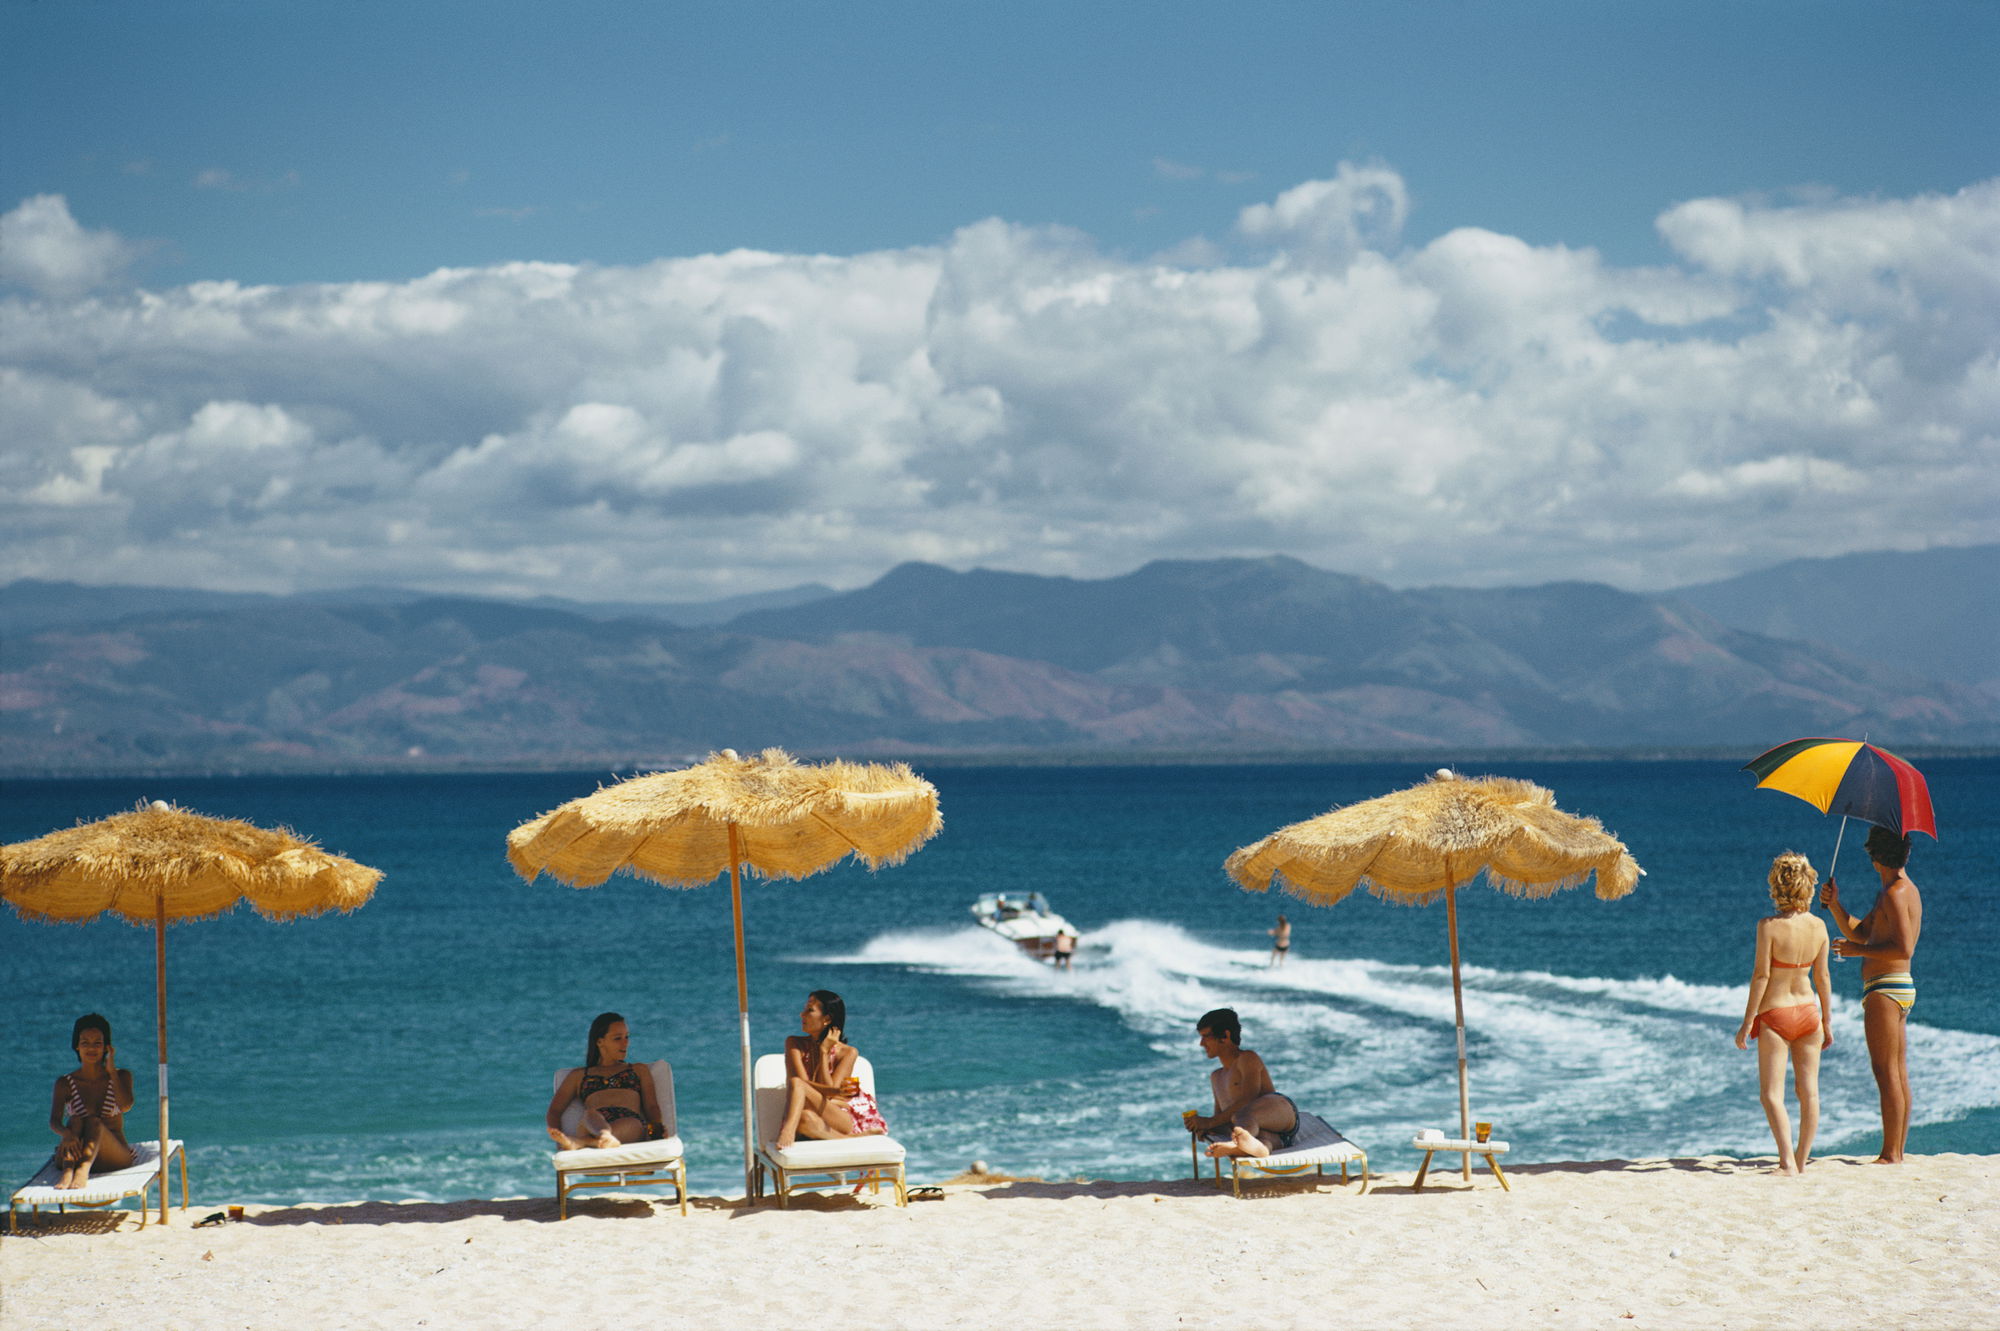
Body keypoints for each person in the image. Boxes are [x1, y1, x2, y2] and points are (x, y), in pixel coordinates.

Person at [1821, 826, 1924, 1163]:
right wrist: (1835, 905)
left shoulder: (1894, 893)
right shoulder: (1899, 891)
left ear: (1877, 857)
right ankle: (1897, 1150)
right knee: (1897, 1069)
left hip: (1886, 988)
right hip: (1898, 987)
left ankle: (1891, 1153)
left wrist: (1855, 952)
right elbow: (1860, 932)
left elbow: (1903, 948)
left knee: (1885, 1070)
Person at [1733, 852, 1833, 1174]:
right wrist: (1827, 1021)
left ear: (1777, 885)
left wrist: (1748, 1022)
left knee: (1771, 1094)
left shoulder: (1768, 927)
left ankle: (1787, 1160)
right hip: (1808, 1012)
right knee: (1809, 1092)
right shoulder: (1819, 926)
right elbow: (1823, 978)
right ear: (1809, 885)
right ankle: (1802, 1161)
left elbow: (1761, 976)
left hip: (1775, 1013)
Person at [774, 990, 887, 1149]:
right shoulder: (794, 1044)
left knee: (797, 1083)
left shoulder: (848, 1052)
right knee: (805, 1116)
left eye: (809, 1010)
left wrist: (824, 1052)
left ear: (827, 1019)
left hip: (837, 1117)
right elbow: (818, 1089)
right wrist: (835, 1092)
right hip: (808, 1115)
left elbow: (825, 1094)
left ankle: (787, 1132)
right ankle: (853, 1139)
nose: (802, 1014)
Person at [545, 1012, 668, 1151]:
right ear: (599, 1042)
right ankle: (604, 1136)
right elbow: (554, 1110)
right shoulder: (579, 1075)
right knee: (589, 1114)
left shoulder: (638, 1070)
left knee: (633, 1123)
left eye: (627, 1037)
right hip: (593, 1124)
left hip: (628, 1124)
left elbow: (652, 1107)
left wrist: (657, 1130)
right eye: (617, 1038)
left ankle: (581, 1142)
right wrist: (558, 1137)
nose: (625, 1043)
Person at [1186, 1007, 1297, 1159]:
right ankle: (1256, 1148)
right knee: (1260, 1142)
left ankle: (1236, 1144)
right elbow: (1221, 1117)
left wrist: (1209, 1122)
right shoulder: (1216, 1077)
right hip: (1269, 1133)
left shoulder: (1247, 1059)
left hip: (1280, 1113)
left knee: (1243, 1114)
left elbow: (1248, 1100)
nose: (1201, 1043)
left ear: (1225, 1035)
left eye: (1206, 1037)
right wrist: (1205, 1128)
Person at [48, 1013, 135, 1190]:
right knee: (76, 1120)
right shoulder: (65, 1083)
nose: (91, 1048)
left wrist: (111, 1072)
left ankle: (82, 1171)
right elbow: (54, 1122)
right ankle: (68, 1171)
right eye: (85, 1042)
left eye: (97, 1043)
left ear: (106, 1048)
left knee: (93, 1121)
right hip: (72, 1156)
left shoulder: (121, 1076)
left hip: (112, 1156)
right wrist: (67, 1134)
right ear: (77, 1046)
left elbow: (125, 1106)